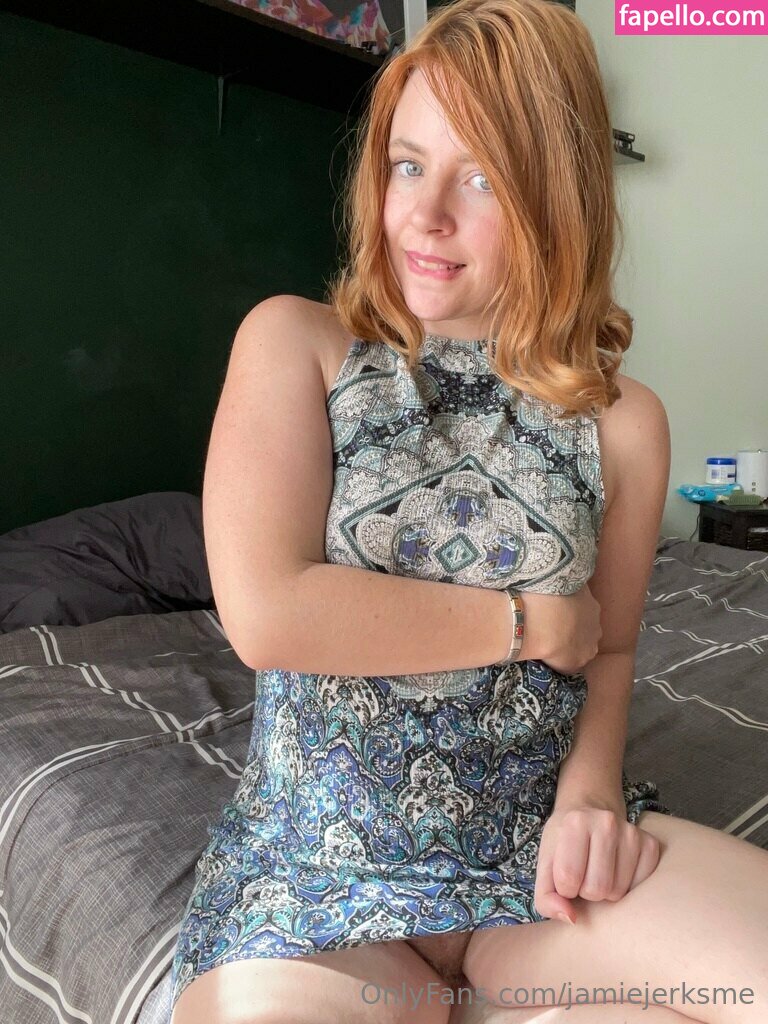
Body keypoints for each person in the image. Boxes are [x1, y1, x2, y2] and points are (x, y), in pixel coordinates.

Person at [169, 1, 768, 1021]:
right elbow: (270, 615)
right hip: (317, 879)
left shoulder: (625, 421)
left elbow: (614, 647)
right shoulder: (296, 343)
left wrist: (589, 795)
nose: (425, 215)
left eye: (480, 178)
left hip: (536, 866)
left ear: (555, 199)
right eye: (408, 166)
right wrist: (531, 622)